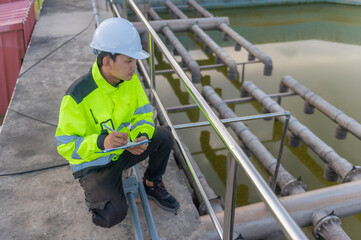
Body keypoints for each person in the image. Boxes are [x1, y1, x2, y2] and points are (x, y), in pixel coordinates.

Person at [55, 17, 179, 228]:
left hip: (123, 150)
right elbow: (66, 146)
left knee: (164, 136)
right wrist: (102, 143)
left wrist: (140, 136)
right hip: (95, 165)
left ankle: (151, 182)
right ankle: (97, 197)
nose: (134, 66)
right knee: (111, 215)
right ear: (107, 62)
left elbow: (143, 116)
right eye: (129, 60)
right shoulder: (77, 96)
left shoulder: (130, 81)